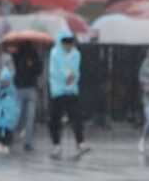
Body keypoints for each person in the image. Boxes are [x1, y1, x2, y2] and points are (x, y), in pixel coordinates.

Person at [48, 30, 90, 158]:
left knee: (76, 116)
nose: (68, 45)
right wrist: (64, 77)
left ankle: (80, 142)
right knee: (55, 118)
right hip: (58, 90)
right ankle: (56, 144)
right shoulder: (54, 53)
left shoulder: (76, 54)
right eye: (65, 42)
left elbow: (76, 70)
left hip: (72, 89)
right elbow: (54, 71)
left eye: (70, 42)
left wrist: (73, 78)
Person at [12, 41, 43, 152]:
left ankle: (27, 141)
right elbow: (14, 70)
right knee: (17, 116)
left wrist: (32, 65)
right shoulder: (15, 55)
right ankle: (11, 136)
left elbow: (39, 70)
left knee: (30, 117)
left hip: (31, 88)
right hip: (20, 88)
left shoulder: (34, 55)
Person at [0, 67, 20, 154]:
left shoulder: (12, 92)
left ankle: (7, 144)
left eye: (5, 82)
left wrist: (12, 114)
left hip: (8, 118)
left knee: (8, 132)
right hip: (0, 117)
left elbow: (15, 105)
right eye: (2, 81)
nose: (3, 83)